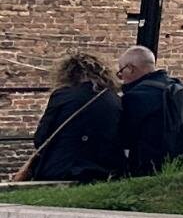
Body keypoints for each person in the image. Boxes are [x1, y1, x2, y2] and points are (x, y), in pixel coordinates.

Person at [20, 51, 122, 183]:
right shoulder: (114, 99)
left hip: (61, 168)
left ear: (68, 74)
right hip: (102, 170)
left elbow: (41, 138)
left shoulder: (63, 95)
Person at [114, 45, 183, 179]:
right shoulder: (175, 85)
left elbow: (124, 136)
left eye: (121, 71)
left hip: (148, 163)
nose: (120, 77)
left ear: (130, 69)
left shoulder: (136, 97)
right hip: (178, 156)